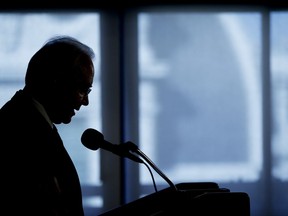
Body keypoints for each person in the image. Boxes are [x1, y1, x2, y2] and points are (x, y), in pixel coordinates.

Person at [0, 35, 95, 215]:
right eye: (82, 89)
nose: (86, 102)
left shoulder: (33, 122)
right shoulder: (17, 130)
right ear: (55, 82)